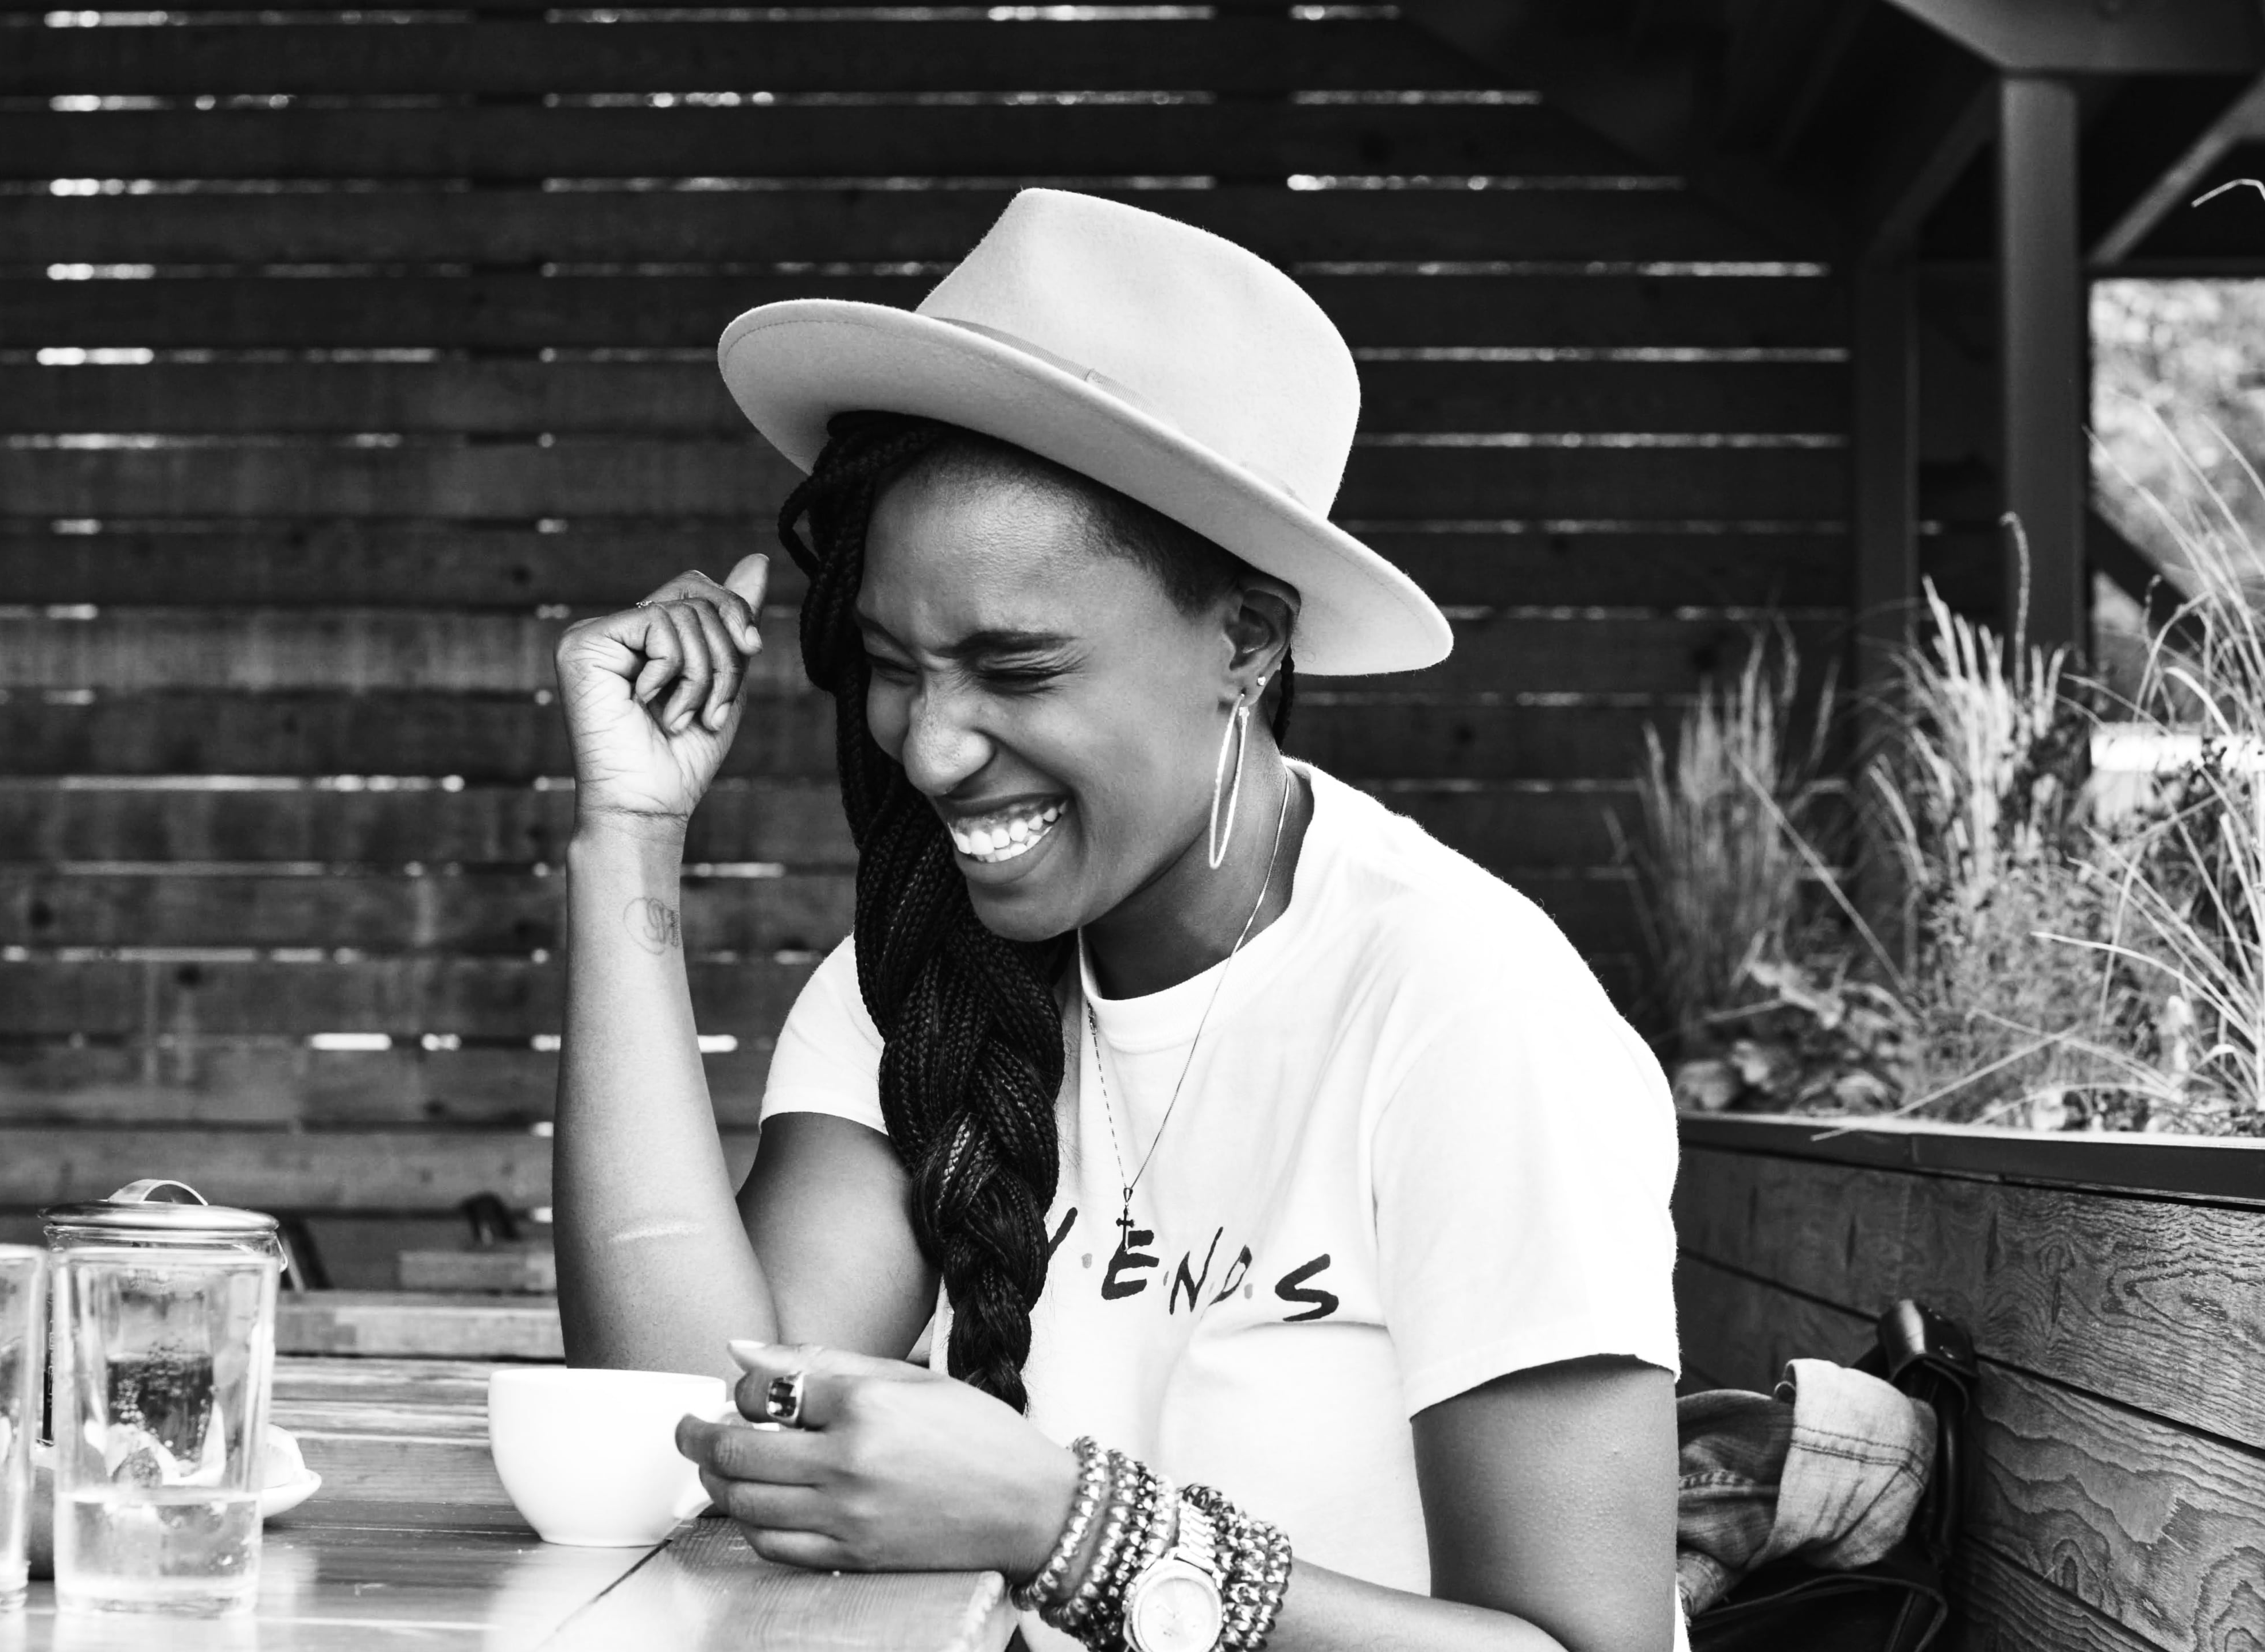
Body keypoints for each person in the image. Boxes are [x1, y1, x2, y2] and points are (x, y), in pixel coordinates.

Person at [553, 189, 1685, 1652]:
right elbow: (699, 1424)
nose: (931, 749)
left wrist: (1072, 1528)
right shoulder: (919, 975)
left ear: (1246, 640)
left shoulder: (1464, 1011)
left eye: (1016, 671)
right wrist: (630, 838)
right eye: (895, 664)